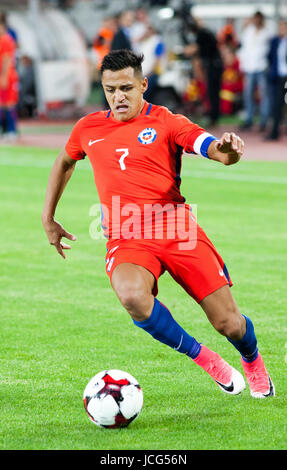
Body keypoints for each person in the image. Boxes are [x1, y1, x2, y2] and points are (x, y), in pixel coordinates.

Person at [42, 49, 275, 399]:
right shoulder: (88, 128)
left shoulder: (166, 121)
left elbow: (208, 146)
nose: (118, 97)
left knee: (229, 323)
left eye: (126, 88)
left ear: (143, 85)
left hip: (176, 229)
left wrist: (227, 152)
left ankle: (252, 359)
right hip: (127, 237)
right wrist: (49, 217)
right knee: (132, 296)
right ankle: (207, 360)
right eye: (110, 89)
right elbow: (64, 161)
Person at [184, 17, 223, 127]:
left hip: (213, 66)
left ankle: (213, 118)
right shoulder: (205, 32)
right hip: (215, 65)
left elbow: (195, 48)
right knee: (213, 93)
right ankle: (213, 117)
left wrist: (185, 50)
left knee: (212, 93)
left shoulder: (202, 33)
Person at [238, 11, 272, 131]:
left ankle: (263, 121)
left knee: (264, 95)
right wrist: (242, 66)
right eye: (255, 18)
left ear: (262, 20)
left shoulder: (267, 33)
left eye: (259, 19)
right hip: (249, 68)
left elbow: (269, 52)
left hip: (262, 67)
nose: (256, 21)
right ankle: (249, 119)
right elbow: (244, 50)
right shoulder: (248, 31)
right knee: (248, 95)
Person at [265, 19, 287, 141]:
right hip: (279, 77)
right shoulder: (275, 41)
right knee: (277, 105)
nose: (281, 30)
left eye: (283, 28)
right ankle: (274, 133)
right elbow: (270, 57)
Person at [0, 14, 18, 140]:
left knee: (9, 104)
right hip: (3, 75)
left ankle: (11, 130)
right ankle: (5, 130)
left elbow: (6, 60)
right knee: (2, 104)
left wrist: (4, 76)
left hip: (8, 76)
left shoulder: (6, 40)